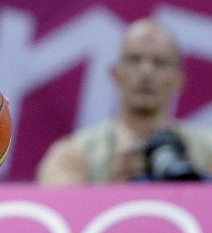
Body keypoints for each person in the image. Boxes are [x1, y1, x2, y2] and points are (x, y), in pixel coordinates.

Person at [37, 18, 212, 185]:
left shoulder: (206, 152)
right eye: (134, 60)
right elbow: (59, 212)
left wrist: (195, 187)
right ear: (116, 73)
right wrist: (117, 191)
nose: (146, 71)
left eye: (159, 63)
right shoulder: (73, 154)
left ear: (179, 80)